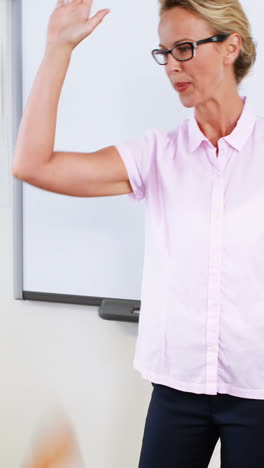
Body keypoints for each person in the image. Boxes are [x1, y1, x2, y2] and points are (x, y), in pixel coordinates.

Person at [12, 0, 264, 467]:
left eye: (185, 48)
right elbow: (32, 164)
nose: (172, 66)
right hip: (177, 390)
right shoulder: (158, 156)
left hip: (258, 389)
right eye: (164, 52)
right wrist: (57, 49)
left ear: (232, 47)